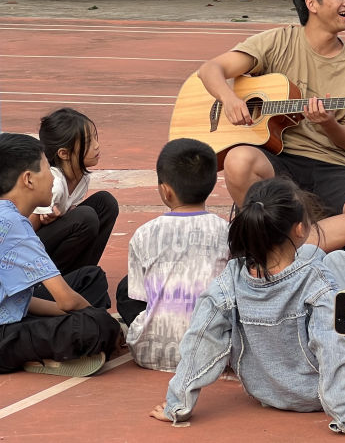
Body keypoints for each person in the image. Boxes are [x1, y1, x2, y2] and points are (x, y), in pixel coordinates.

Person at [150, 177, 345, 435]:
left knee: (321, 256)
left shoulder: (231, 277)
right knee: (340, 259)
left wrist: (176, 405)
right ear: (300, 229)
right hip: (317, 395)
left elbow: (200, 339)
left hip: (263, 390)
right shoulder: (317, 282)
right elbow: (331, 348)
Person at [197, 0, 345, 254]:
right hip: (278, 156)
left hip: (331, 163)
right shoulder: (279, 40)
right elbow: (211, 69)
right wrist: (230, 100)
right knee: (237, 160)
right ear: (312, 3)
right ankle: (279, 243)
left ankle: (276, 247)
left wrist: (328, 124)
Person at [0, 133, 121, 377]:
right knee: (94, 327)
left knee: (91, 278)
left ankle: (43, 346)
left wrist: (71, 312)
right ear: (28, 180)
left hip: (10, 317)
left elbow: (23, 300)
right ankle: (37, 354)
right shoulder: (15, 225)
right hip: (3, 336)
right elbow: (67, 300)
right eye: (47, 170)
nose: (53, 180)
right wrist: (102, 321)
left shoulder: (8, 216)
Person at [116, 138, 230, 372]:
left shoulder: (143, 234)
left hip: (150, 352)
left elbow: (141, 296)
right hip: (213, 354)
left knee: (125, 289)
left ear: (165, 191)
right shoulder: (227, 232)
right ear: (210, 186)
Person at [30, 107, 119, 274]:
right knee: (86, 217)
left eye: (95, 138)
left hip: (49, 247)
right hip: (28, 255)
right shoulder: (54, 185)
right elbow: (22, 233)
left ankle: (83, 273)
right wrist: (44, 221)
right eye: (89, 141)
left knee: (106, 202)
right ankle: (52, 282)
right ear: (64, 153)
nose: (97, 145)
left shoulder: (82, 178)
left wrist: (61, 218)